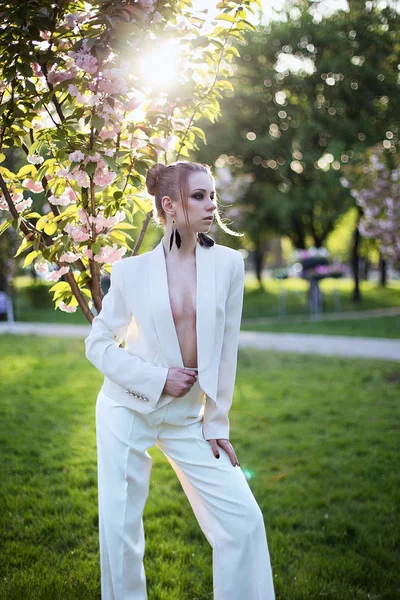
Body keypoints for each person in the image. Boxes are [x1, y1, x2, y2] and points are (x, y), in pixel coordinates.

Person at [85, 160, 275, 600]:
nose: (211, 205)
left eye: (212, 196)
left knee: (243, 520)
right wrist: (156, 379)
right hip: (126, 407)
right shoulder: (131, 271)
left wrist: (218, 422)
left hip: (189, 417)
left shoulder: (229, 264)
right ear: (169, 205)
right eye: (199, 196)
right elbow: (98, 344)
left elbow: (227, 349)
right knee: (121, 530)